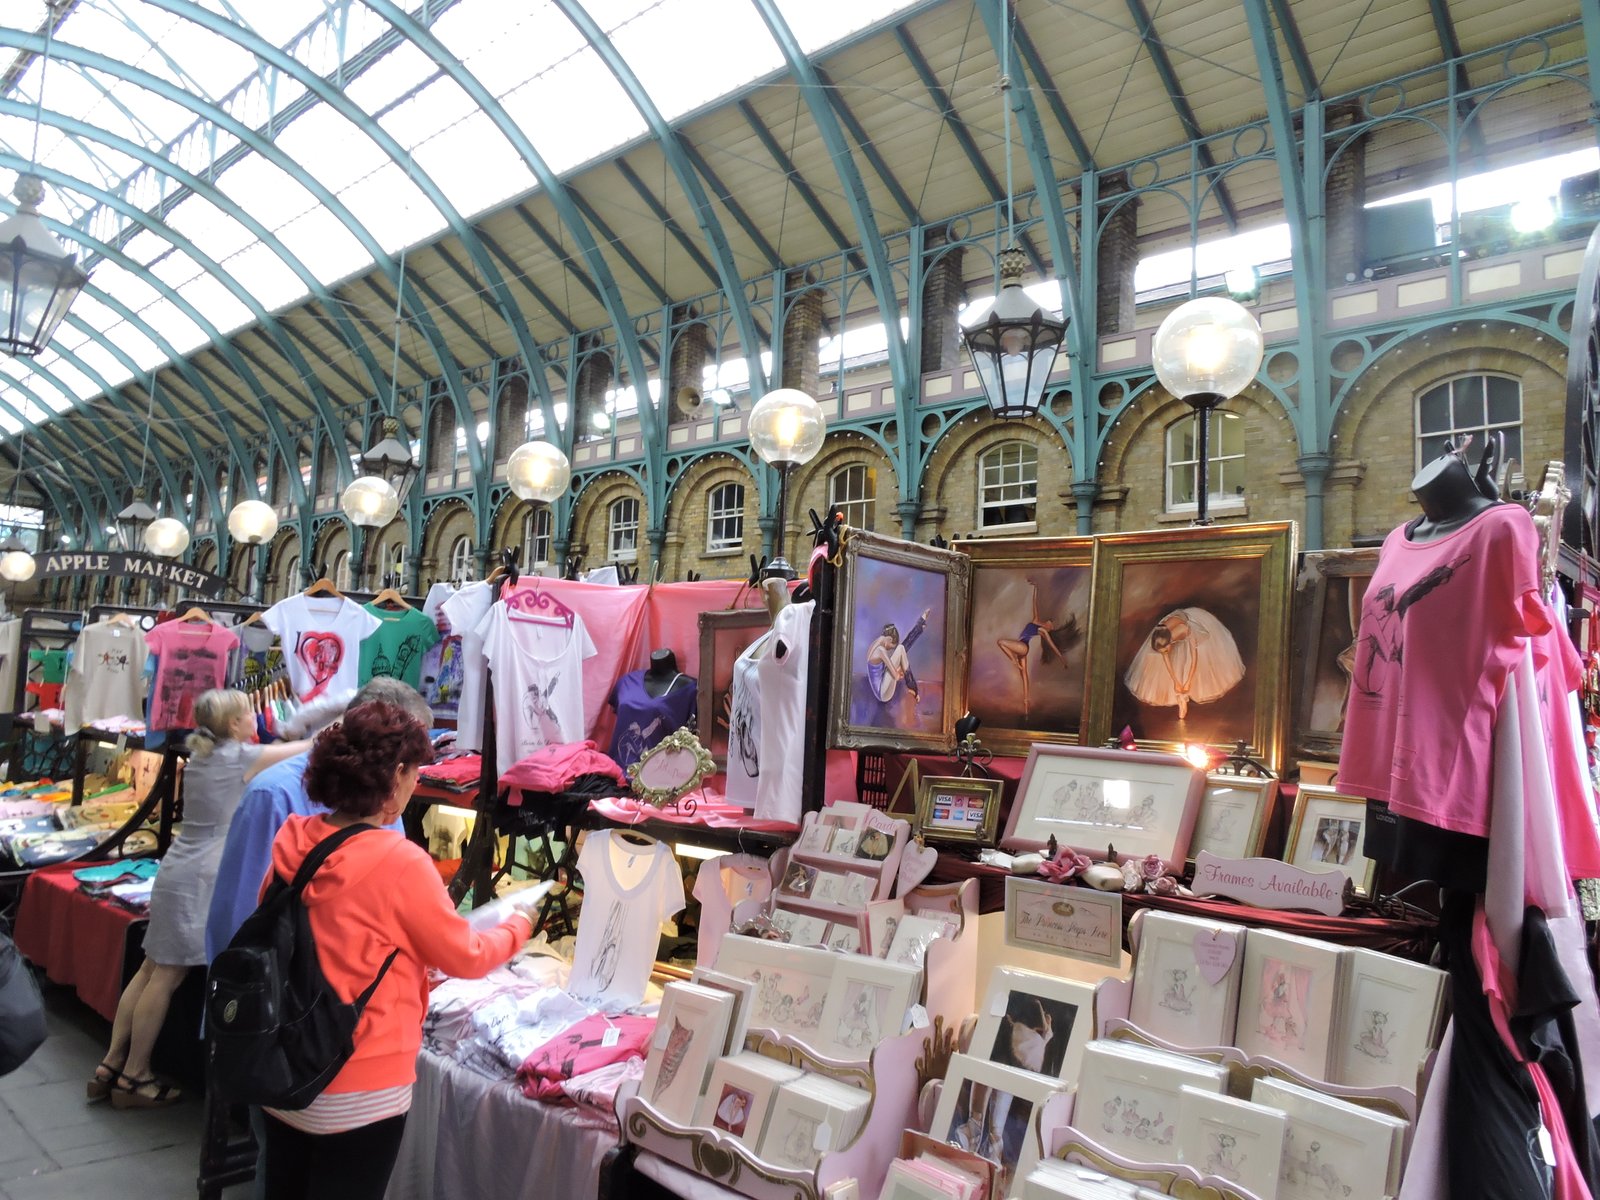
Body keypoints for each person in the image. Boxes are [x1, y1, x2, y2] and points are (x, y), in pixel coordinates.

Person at [257, 700, 536, 1200]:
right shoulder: (399, 860)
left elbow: (289, 930)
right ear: (395, 777)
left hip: (285, 1065)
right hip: (359, 1080)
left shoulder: (294, 840)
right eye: (413, 771)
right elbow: (467, 955)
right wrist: (519, 924)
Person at [92, 690, 310, 1108]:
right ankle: (135, 1075)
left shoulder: (204, 757)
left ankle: (110, 1063)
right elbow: (303, 749)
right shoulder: (237, 759)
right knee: (167, 977)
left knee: (149, 968)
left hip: (177, 866)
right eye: (249, 714)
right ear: (233, 725)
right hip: (202, 877)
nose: (255, 719)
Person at [204, 677, 428, 961]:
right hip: (286, 989)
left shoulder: (387, 796)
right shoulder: (274, 794)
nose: (414, 773)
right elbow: (237, 914)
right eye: (410, 757)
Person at [1123, 607, 1246, 720]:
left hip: (1194, 623)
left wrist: (1188, 682)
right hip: (1173, 627)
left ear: (1170, 642)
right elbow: (1166, 660)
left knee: (1186, 664)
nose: (1165, 653)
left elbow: (1194, 660)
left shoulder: (1187, 630)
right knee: (1171, 667)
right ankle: (1181, 698)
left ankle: (1183, 697)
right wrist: (1176, 681)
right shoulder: (1161, 634)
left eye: (1166, 650)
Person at [995, 582, 1077, 718]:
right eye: (1051, 623)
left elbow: (1052, 646)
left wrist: (1062, 659)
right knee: (1024, 676)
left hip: (1023, 648)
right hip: (1022, 647)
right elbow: (1035, 605)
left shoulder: (1044, 631)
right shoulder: (1036, 621)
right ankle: (1026, 705)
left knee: (1001, 642)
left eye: (1052, 625)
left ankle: (1014, 661)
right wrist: (1035, 589)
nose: (1051, 624)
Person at [865, 609, 930, 703]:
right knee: (901, 649)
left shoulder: (875, 645)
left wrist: (899, 668)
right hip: (883, 693)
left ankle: (919, 627)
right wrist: (899, 673)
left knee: (902, 649)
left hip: (883, 686)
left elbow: (882, 671)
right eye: (891, 647)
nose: (890, 649)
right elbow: (895, 676)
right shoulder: (881, 650)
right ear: (890, 639)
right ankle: (912, 687)